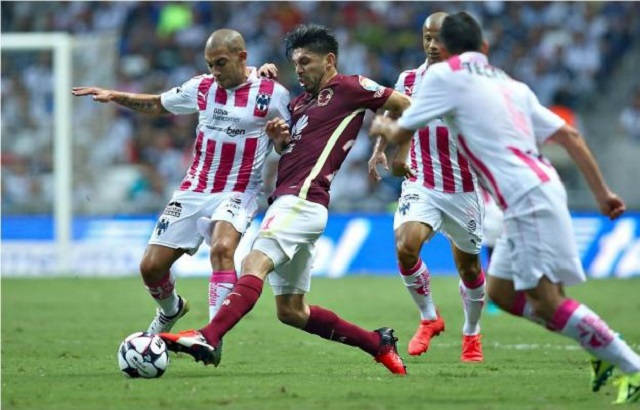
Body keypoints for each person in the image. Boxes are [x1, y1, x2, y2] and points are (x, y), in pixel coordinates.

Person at [370, 12, 640, 403]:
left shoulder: (445, 78)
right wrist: (603, 194)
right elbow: (569, 134)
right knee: (501, 292)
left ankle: (630, 365)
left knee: (547, 301)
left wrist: (382, 130)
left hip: (523, 197)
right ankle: (598, 347)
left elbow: (400, 128)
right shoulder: (510, 85)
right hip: (538, 189)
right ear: (484, 46)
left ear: (443, 47)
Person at [159, 24, 411, 375]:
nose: (299, 70)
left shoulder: (350, 87)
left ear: (329, 60)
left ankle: (209, 336)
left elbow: (404, 105)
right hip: (291, 202)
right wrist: (279, 137)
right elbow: (286, 147)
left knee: (253, 262)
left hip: (303, 200)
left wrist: (391, 149)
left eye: (306, 62)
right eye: (295, 63)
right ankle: (377, 342)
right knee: (291, 311)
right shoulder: (300, 103)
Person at [72, 29, 290, 332]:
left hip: (239, 189)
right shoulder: (202, 87)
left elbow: (287, 145)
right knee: (151, 267)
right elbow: (158, 104)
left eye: (221, 63)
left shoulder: (272, 93)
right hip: (195, 188)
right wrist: (116, 96)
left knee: (222, 249)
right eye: (210, 64)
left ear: (242, 57)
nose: (215, 71)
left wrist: (279, 140)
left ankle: (212, 337)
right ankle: (171, 309)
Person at [368, 11, 486, 362]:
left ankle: (471, 332)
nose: (433, 45)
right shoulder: (409, 79)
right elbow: (392, 113)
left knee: (469, 269)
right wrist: (379, 150)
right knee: (406, 246)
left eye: (440, 38)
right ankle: (429, 317)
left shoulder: (471, 83)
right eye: (427, 38)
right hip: (420, 181)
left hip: (463, 187)